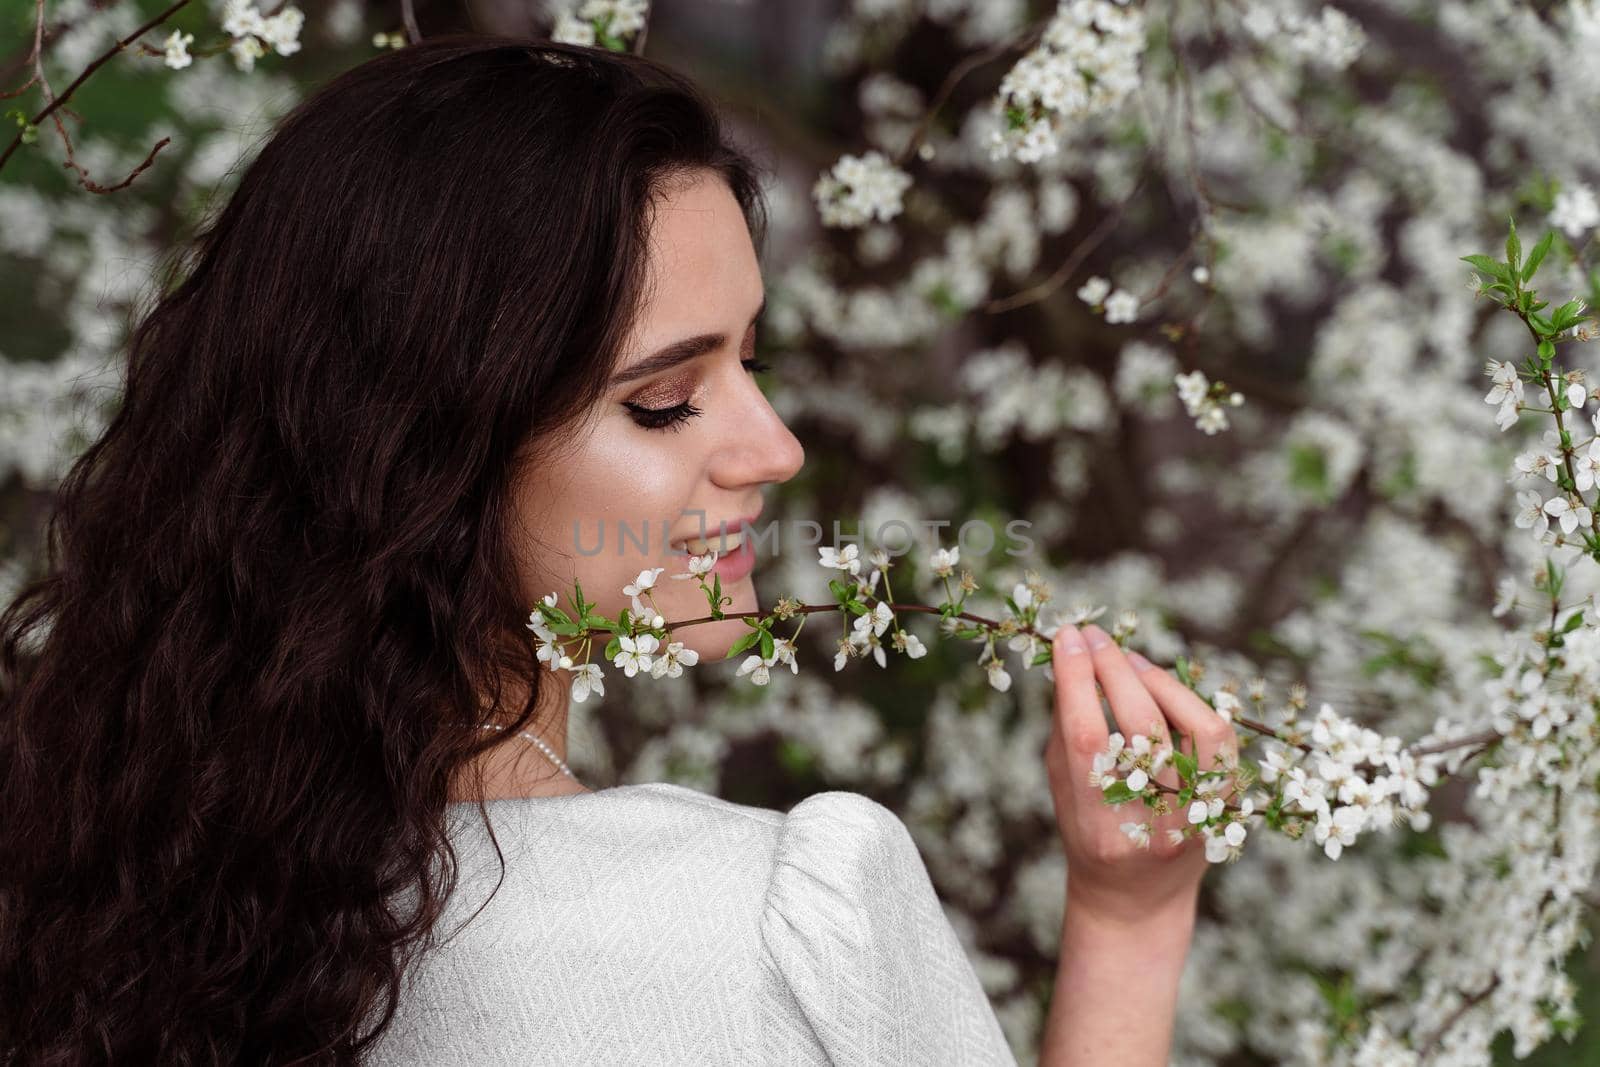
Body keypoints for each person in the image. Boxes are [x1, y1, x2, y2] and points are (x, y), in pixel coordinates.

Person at [0, 33, 1233, 1065]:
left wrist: (1126, 906)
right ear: (426, 454)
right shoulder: (768, 924)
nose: (777, 447)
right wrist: (1133, 927)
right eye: (664, 398)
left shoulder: (141, 891)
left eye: (750, 360)